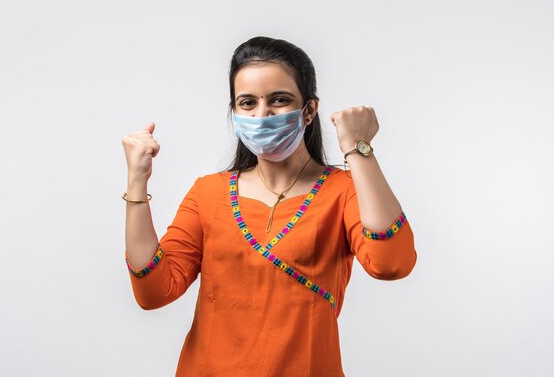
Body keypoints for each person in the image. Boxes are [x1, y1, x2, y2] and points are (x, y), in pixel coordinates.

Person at [121, 36, 417, 376]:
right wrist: (136, 182)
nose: (262, 115)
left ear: (309, 110)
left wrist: (357, 147)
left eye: (279, 100)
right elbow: (153, 291)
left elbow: (392, 264)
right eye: (247, 103)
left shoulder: (343, 191)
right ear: (234, 110)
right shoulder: (208, 193)